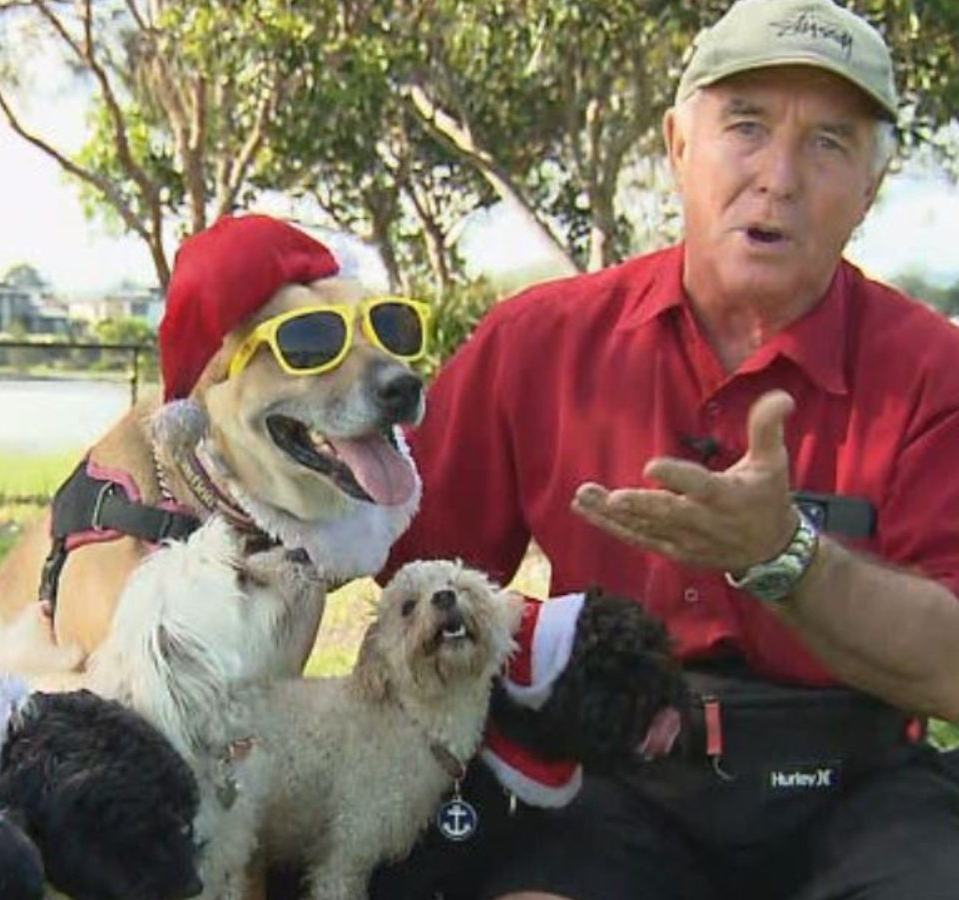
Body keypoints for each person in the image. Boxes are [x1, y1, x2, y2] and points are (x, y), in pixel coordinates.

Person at [383, 1, 959, 897]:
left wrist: (785, 560)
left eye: (829, 144)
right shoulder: (538, 342)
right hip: (613, 780)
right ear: (678, 145)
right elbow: (400, 565)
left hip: (860, 788)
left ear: (872, 188)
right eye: (746, 126)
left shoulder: (935, 373)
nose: (778, 176)